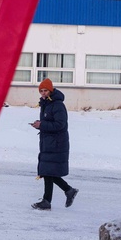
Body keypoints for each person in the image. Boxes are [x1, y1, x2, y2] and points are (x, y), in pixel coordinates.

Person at [30, 78, 78, 210]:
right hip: (48, 142)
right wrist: (39, 125)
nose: (43, 93)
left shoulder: (57, 105)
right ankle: (63, 193)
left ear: (50, 90)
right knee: (47, 171)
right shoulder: (46, 104)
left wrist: (42, 124)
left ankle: (62, 193)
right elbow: (49, 121)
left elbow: (60, 124)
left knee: (47, 171)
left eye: (45, 91)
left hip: (56, 143)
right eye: (41, 91)